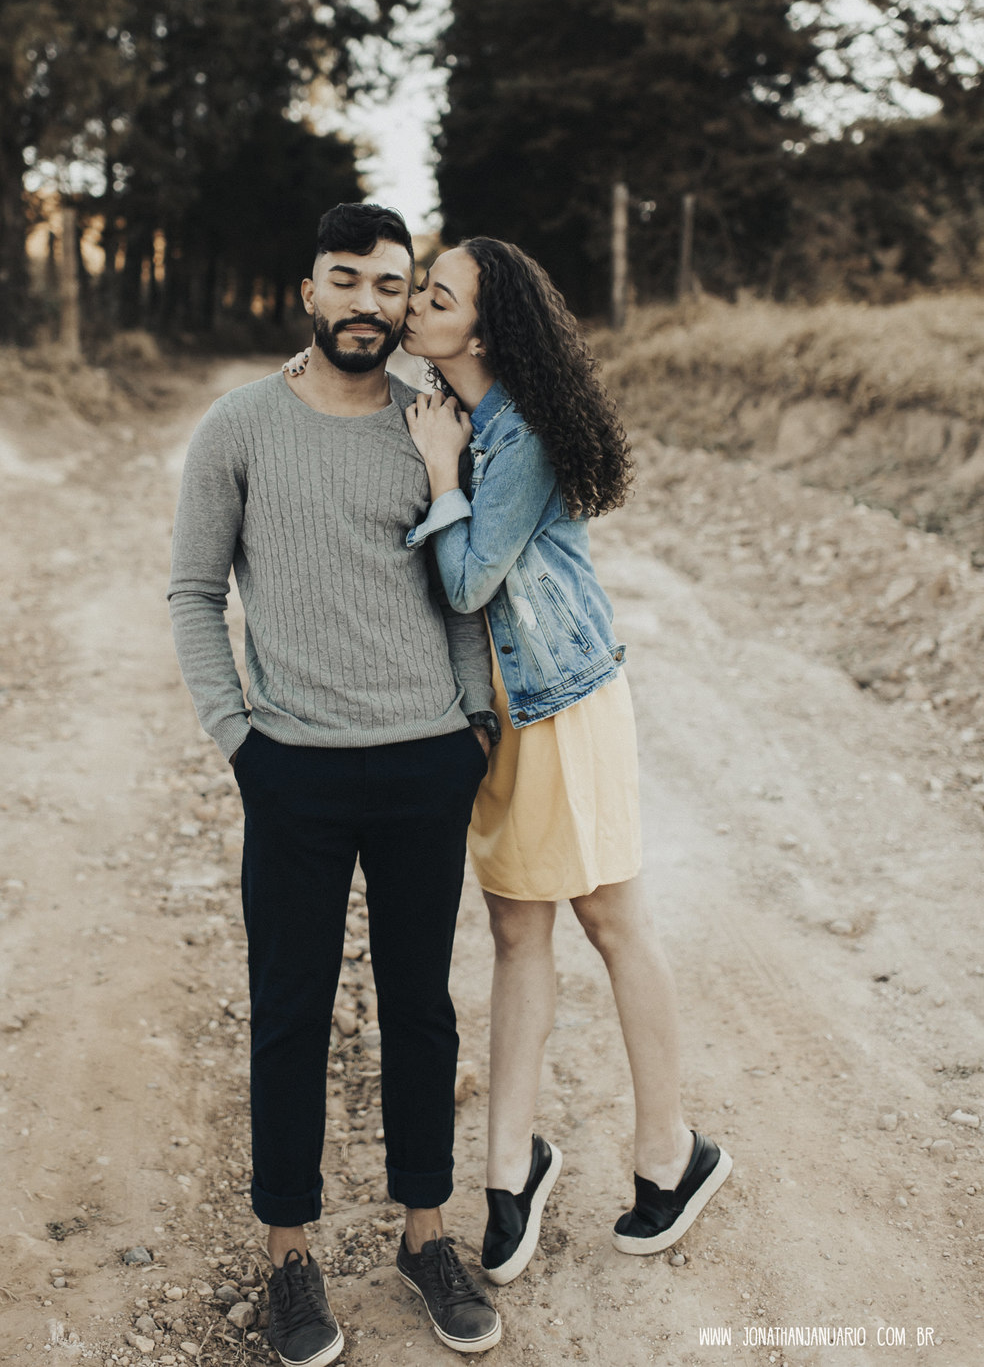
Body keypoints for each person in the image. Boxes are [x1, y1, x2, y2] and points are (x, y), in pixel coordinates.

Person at [289, 235, 731, 1287]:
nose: (412, 308)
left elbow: (472, 583)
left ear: (478, 330)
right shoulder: (452, 413)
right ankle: (509, 1163)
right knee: (515, 930)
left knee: (614, 921)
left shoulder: (515, 434)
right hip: (499, 719)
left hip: (567, 709)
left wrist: (443, 474)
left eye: (433, 297)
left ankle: (673, 1153)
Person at [168, 203, 503, 1367]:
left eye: (390, 284)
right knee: (292, 1015)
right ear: (307, 288)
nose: (368, 302)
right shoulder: (240, 426)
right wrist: (239, 738)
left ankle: (426, 1236)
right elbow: (191, 593)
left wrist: (468, 726)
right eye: (346, 279)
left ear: (410, 301)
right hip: (293, 770)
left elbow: (461, 587)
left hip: (424, 763)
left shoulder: (432, 425)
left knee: (420, 1011)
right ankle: (290, 1258)